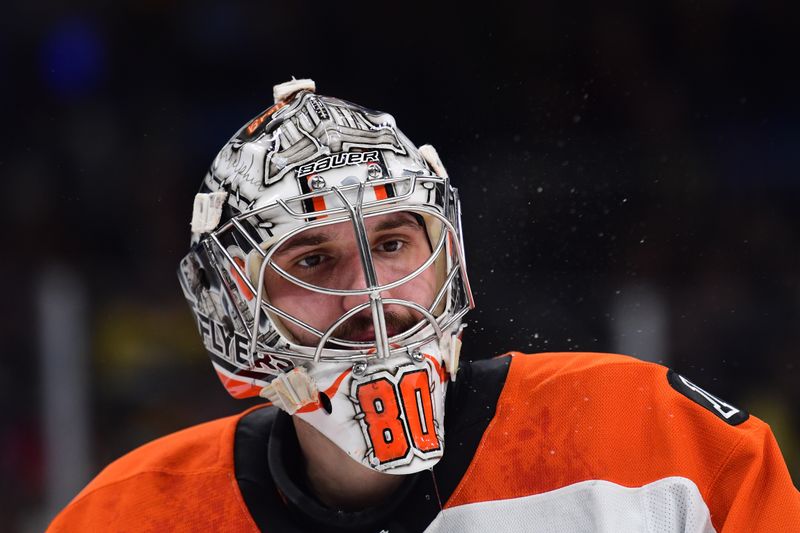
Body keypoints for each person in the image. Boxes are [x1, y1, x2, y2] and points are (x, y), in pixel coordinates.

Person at [49, 79, 800, 532]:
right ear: (235, 303)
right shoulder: (127, 516)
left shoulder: (663, 450)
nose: (370, 293)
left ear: (447, 250)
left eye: (395, 240)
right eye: (313, 258)